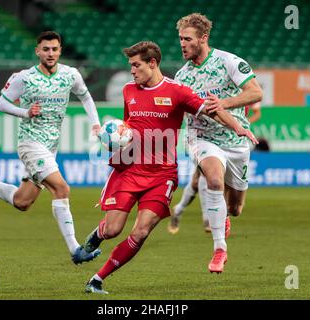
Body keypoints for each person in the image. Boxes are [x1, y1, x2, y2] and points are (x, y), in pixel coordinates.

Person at [82, 41, 258, 294]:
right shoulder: (128, 90)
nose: (132, 71)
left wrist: (238, 127)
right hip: (130, 168)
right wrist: (117, 137)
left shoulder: (177, 91)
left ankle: (97, 280)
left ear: (152, 63)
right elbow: (129, 121)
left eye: (135, 65)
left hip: (161, 175)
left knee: (141, 232)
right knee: (113, 229)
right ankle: (98, 234)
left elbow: (210, 111)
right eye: (130, 65)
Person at [0, 31, 102, 265]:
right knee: (62, 188)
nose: (50, 53)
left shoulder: (70, 74)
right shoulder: (24, 77)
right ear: (38, 51)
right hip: (30, 144)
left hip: (51, 146)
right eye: (45, 49)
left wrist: (96, 124)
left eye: (54, 49)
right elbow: (1, 103)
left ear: (60, 50)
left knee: (22, 202)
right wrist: (24, 112)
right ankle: (76, 250)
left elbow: (85, 97)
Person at [166, 13, 263, 273]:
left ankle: (225, 216)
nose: (182, 44)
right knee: (214, 181)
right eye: (180, 39)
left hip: (236, 141)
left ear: (203, 39)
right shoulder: (182, 76)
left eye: (187, 39)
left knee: (236, 208)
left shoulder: (228, 61)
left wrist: (225, 104)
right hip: (202, 139)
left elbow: (256, 92)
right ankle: (220, 249)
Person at [168, 101, 262, 234]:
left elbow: (257, 112)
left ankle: (178, 210)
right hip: (202, 135)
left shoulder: (244, 88)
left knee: (197, 181)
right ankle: (207, 218)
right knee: (206, 176)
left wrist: (241, 124)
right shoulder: (208, 85)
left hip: (230, 136)